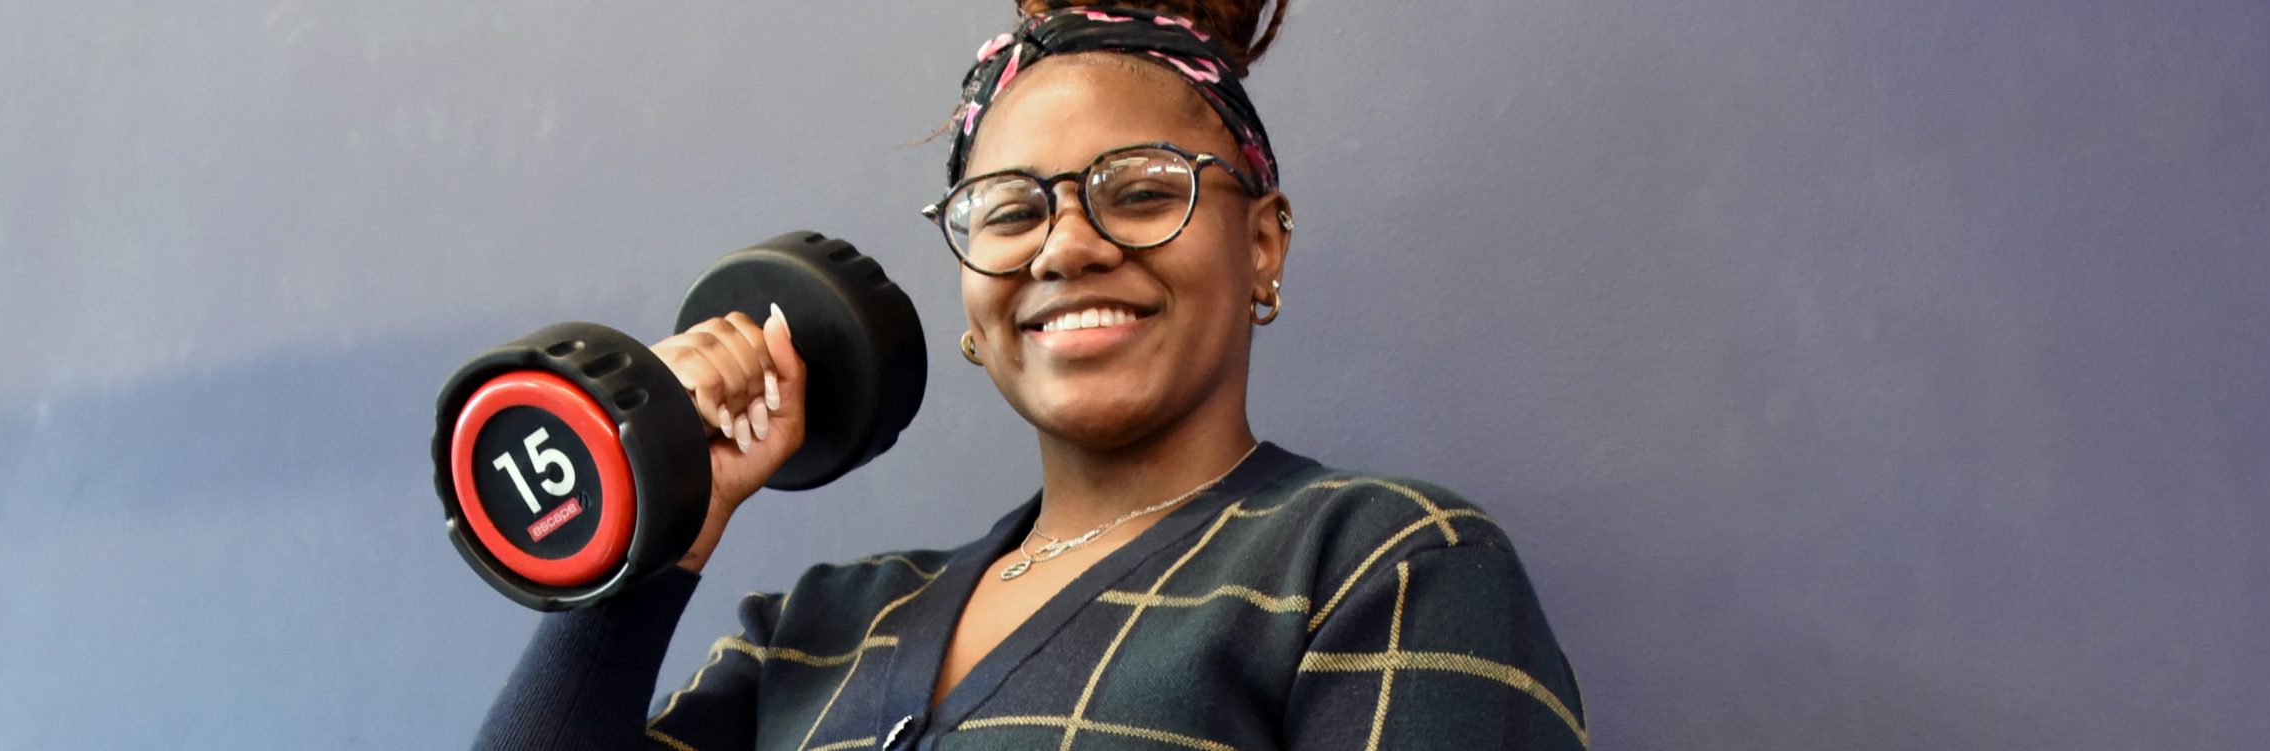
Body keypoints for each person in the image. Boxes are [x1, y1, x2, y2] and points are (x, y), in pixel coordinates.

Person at [475, 1, 1587, 748]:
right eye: (1009, 211)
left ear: (1262, 244)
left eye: (1144, 189)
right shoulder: (814, 629)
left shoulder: (1383, 564)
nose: (1065, 246)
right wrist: (657, 514)